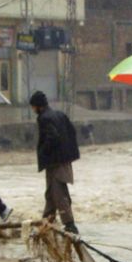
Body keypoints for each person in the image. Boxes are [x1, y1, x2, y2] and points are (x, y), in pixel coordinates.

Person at [29, 90, 81, 234]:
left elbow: (52, 136)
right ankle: (46, 222)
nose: (33, 110)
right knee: (51, 193)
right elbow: (72, 132)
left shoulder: (44, 118)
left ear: (38, 106)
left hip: (55, 161)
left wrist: (44, 153)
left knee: (58, 192)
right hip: (64, 159)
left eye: (33, 107)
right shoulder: (60, 115)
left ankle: (69, 224)